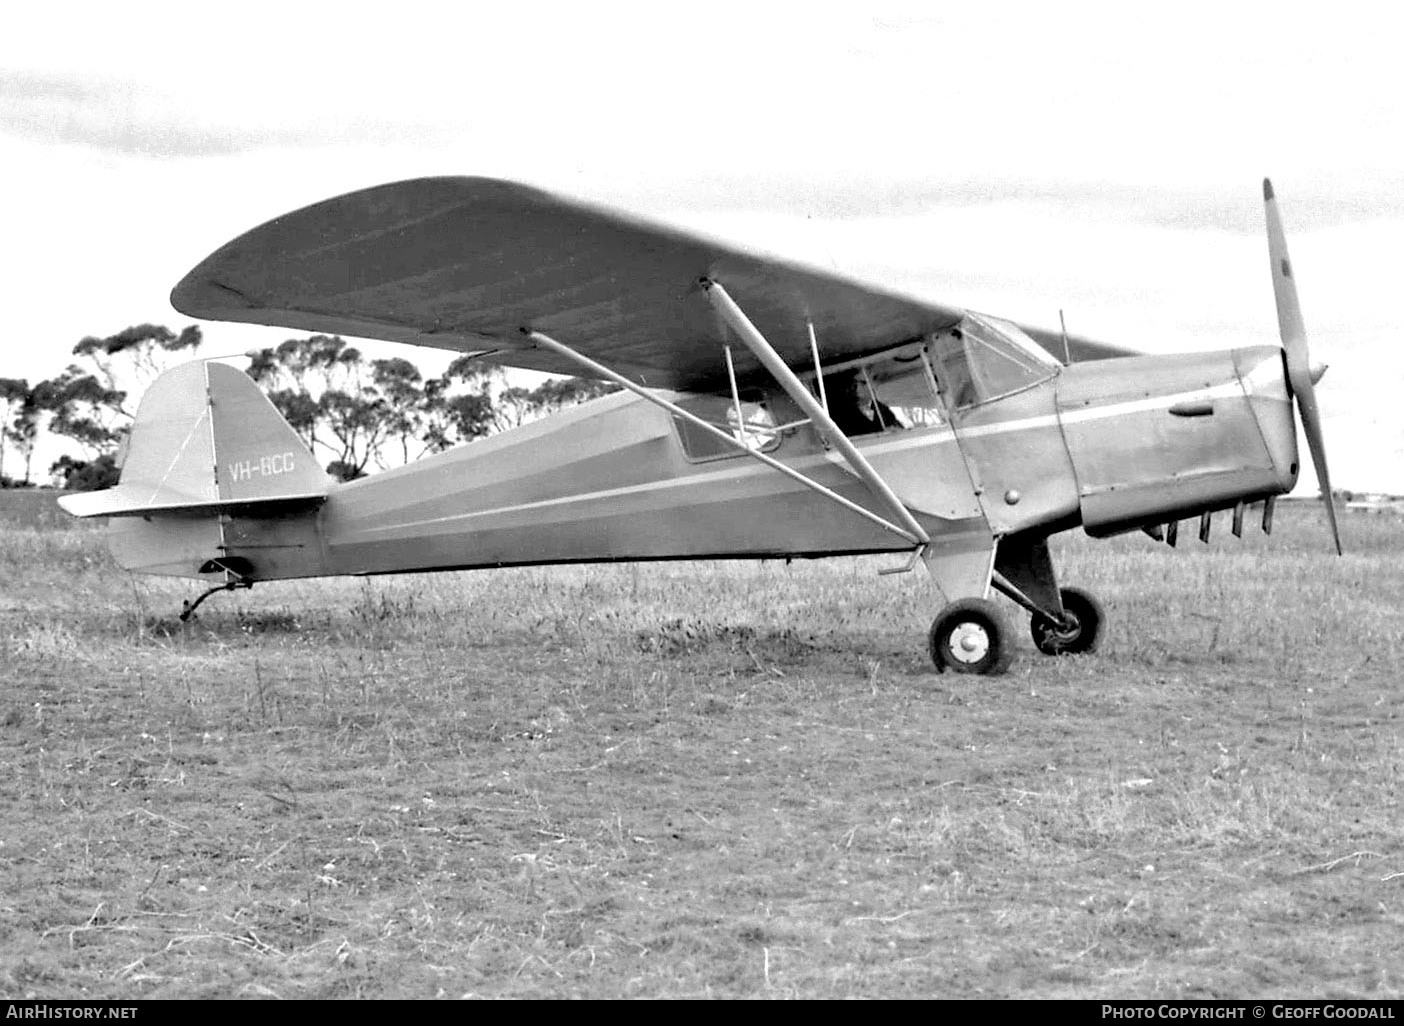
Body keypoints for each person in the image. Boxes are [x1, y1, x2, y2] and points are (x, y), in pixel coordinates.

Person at [825, 370, 897, 437]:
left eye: (863, 383)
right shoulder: (840, 413)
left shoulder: (883, 411)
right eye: (853, 383)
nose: (856, 387)